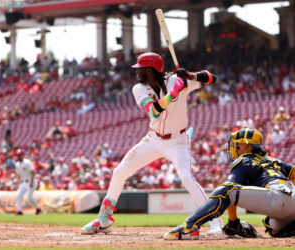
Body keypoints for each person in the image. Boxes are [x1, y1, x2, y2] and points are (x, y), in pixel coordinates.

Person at [81, 52, 223, 236]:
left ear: (153, 70)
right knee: (119, 172)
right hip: (153, 139)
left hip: (178, 141)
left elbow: (212, 78)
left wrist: (190, 76)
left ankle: (217, 224)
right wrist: (173, 93)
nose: (139, 72)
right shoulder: (139, 88)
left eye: (142, 69)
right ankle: (104, 221)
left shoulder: (176, 79)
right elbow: (154, 112)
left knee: (187, 178)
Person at [163, 128, 295, 240]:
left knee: (226, 189)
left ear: (245, 146)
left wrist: (233, 222)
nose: (234, 148)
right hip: (290, 201)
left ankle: (189, 227)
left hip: (277, 198)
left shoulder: (243, 160)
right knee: (272, 226)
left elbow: (231, 187)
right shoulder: (274, 160)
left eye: (237, 145)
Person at [14, 149, 41, 215]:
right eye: (17, 155)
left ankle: (38, 208)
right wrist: (18, 183)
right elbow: (18, 174)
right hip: (23, 182)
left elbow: (33, 172)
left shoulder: (27, 162)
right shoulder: (17, 164)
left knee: (29, 197)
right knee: (19, 195)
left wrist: (31, 182)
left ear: (22, 156)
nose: (18, 157)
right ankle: (19, 211)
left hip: (30, 181)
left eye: (19, 155)